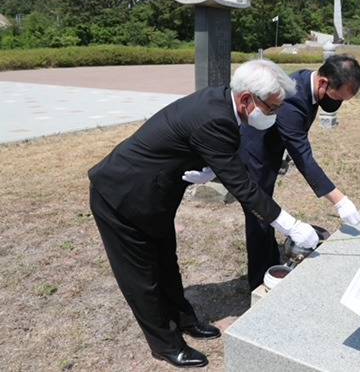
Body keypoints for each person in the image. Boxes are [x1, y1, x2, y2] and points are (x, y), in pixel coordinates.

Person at [88, 59, 319, 368]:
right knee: (142, 278)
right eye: (273, 108)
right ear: (247, 99)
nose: (275, 115)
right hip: (122, 195)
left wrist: (208, 167)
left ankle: (184, 319)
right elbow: (243, 186)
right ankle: (165, 344)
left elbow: (216, 153)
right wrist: (290, 225)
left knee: (167, 263)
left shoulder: (226, 104)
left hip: (155, 197)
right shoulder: (216, 117)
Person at [184, 54, 360, 290]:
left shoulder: (307, 80)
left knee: (267, 212)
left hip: (268, 153)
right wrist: (339, 200)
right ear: (323, 83)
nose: (337, 103)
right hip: (253, 155)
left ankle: (272, 263)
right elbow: (303, 156)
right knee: (259, 217)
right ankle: (261, 282)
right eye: (338, 97)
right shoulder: (292, 99)